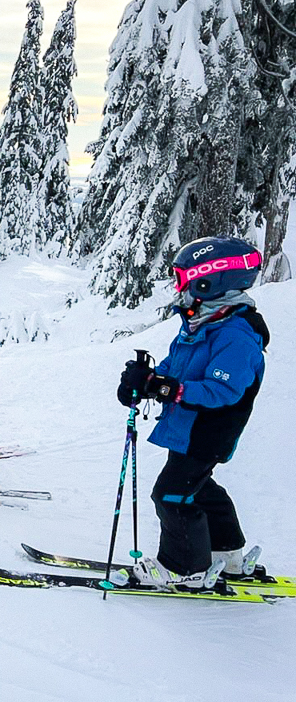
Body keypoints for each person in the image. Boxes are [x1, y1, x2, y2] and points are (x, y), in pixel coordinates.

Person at [117, 236, 267, 590]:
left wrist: (167, 389)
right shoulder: (204, 322)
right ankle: (225, 553)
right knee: (198, 488)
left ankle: (185, 568)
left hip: (207, 431)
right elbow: (176, 365)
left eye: (183, 279)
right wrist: (148, 379)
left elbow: (223, 390)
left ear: (210, 281)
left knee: (171, 494)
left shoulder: (237, 334)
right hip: (189, 428)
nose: (178, 287)